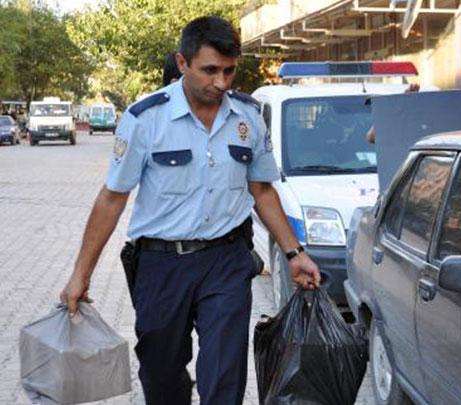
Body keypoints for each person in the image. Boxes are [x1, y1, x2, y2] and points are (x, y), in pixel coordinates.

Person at [60, 16, 320, 404]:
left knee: (224, 376)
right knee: (161, 374)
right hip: (161, 265)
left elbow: (262, 191)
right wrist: (81, 274)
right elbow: (112, 198)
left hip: (226, 261)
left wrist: (294, 253)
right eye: (210, 70)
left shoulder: (247, 117)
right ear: (182, 63)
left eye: (229, 71)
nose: (221, 82)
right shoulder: (145, 119)